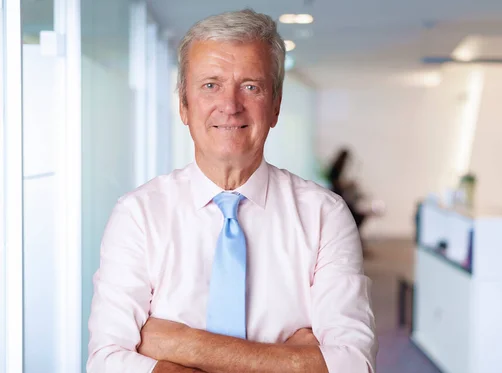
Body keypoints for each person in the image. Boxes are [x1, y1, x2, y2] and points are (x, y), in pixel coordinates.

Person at [87, 9, 377, 373]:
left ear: (275, 106)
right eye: (211, 84)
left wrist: (181, 344)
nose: (230, 104)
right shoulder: (138, 215)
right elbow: (106, 361)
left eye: (251, 86)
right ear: (184, 105)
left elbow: (352, 364)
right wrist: (296, 362)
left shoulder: (325, 215)